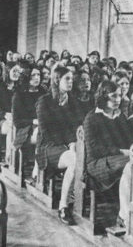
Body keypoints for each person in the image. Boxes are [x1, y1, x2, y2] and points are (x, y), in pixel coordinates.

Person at [84, 80, 133, 227]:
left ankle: (131, 213)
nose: (117, 100)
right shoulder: (92, 118)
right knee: (131, 164)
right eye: (113, 96)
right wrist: (121, 151)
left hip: (117, 160)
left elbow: (129, 139)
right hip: (96, 164)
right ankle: (124, 216)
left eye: (119, 96)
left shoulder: (120, 116)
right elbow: (95, 148)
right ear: (103, 96)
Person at [36, 66, 81, 225]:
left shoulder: (73, 100)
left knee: (79, 157)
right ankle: (63, 206)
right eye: (67, 78)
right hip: (48, 146)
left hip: (66, 145)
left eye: (71, 78)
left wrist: (73, 142)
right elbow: (45, 131)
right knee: (75, 160)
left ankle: (75, 199)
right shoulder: (45, 101)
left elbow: (75, 126)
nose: (71, 81)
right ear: (56, 80)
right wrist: (68, 143)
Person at [12, 65, 45, 181]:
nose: (37, 78)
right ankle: (37, 168)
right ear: (27, 78)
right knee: (42, 133)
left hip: (42, 126)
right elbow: (17, 121)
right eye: (33, 75)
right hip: (25, 130)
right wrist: (33, 121)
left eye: (38, 75)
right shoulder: (19, 95)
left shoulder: (43, 92)